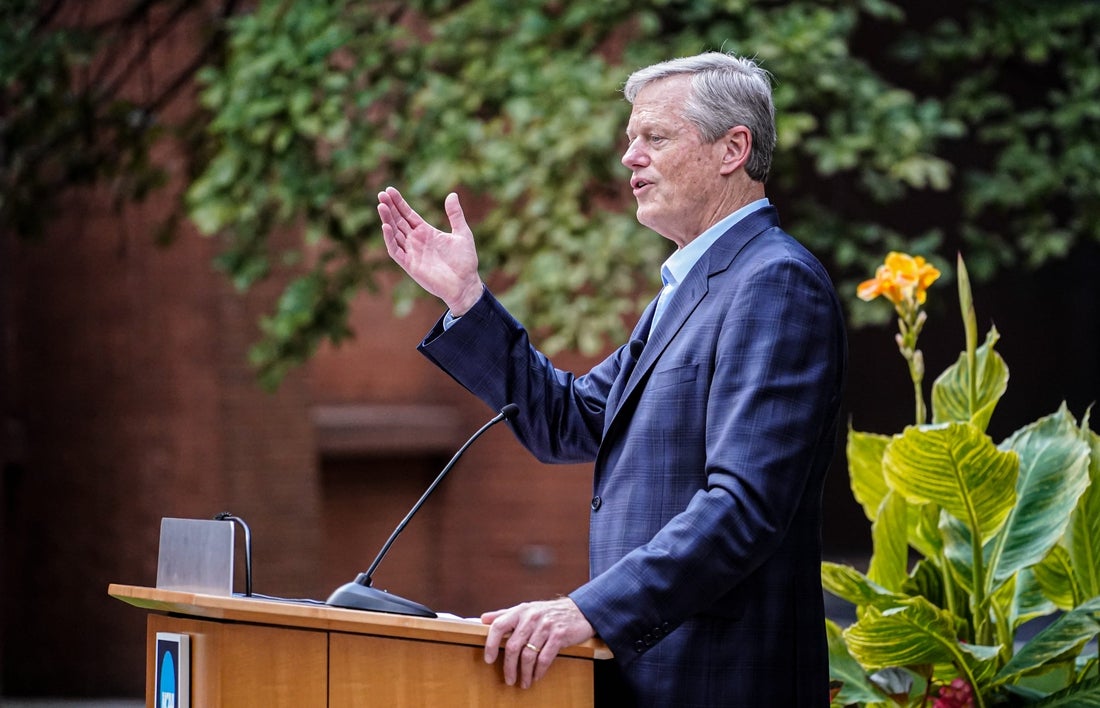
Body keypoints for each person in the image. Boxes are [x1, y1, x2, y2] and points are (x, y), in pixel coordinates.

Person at [378, 51, 847, 707]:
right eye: (630, 140)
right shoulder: (686, 294)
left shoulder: (774, 282)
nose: (630, 157)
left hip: (720, 684)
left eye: (655, 137)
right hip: (652, 680)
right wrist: (467, 301)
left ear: (732, 149)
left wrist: (589, 611)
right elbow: (567, 420)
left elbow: (743, 506)